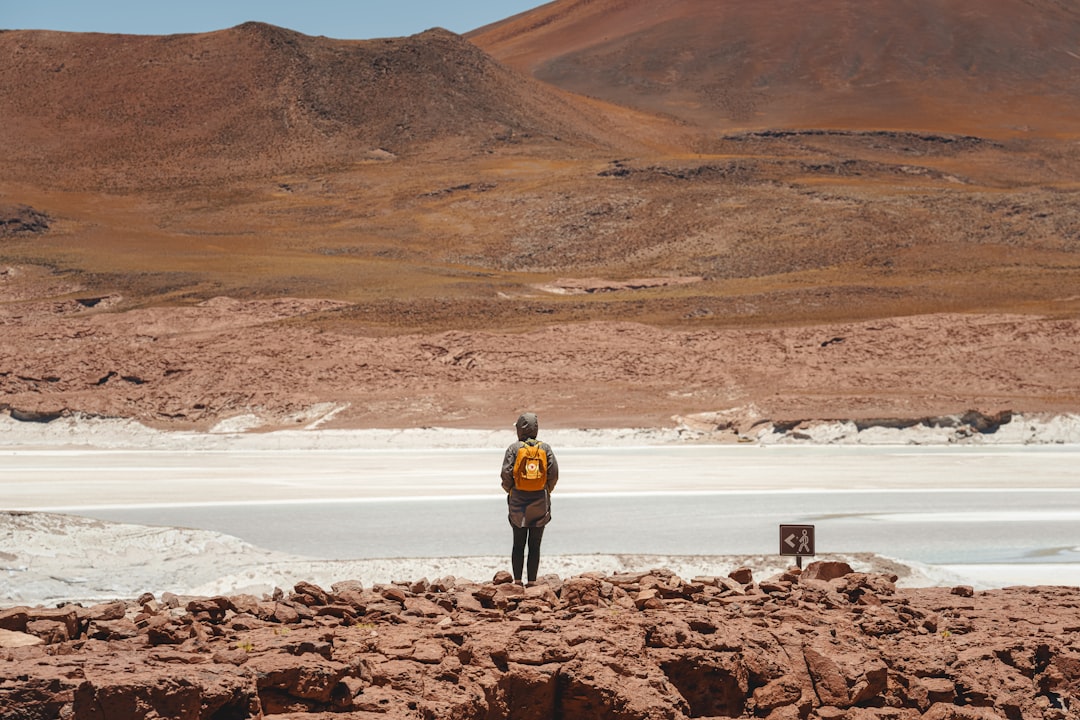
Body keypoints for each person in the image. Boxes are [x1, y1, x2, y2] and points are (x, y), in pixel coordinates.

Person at [500, 412, 559, 585]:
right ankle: (532, 582)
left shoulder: (513, 448)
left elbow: (505, 475)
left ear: (519, 429)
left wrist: (511, 491)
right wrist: (546, 490)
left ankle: (517, 581)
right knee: (535, 543)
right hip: (540, 500)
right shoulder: (545, 448)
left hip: (518, 499)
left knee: (518, 543)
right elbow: (554, 474)